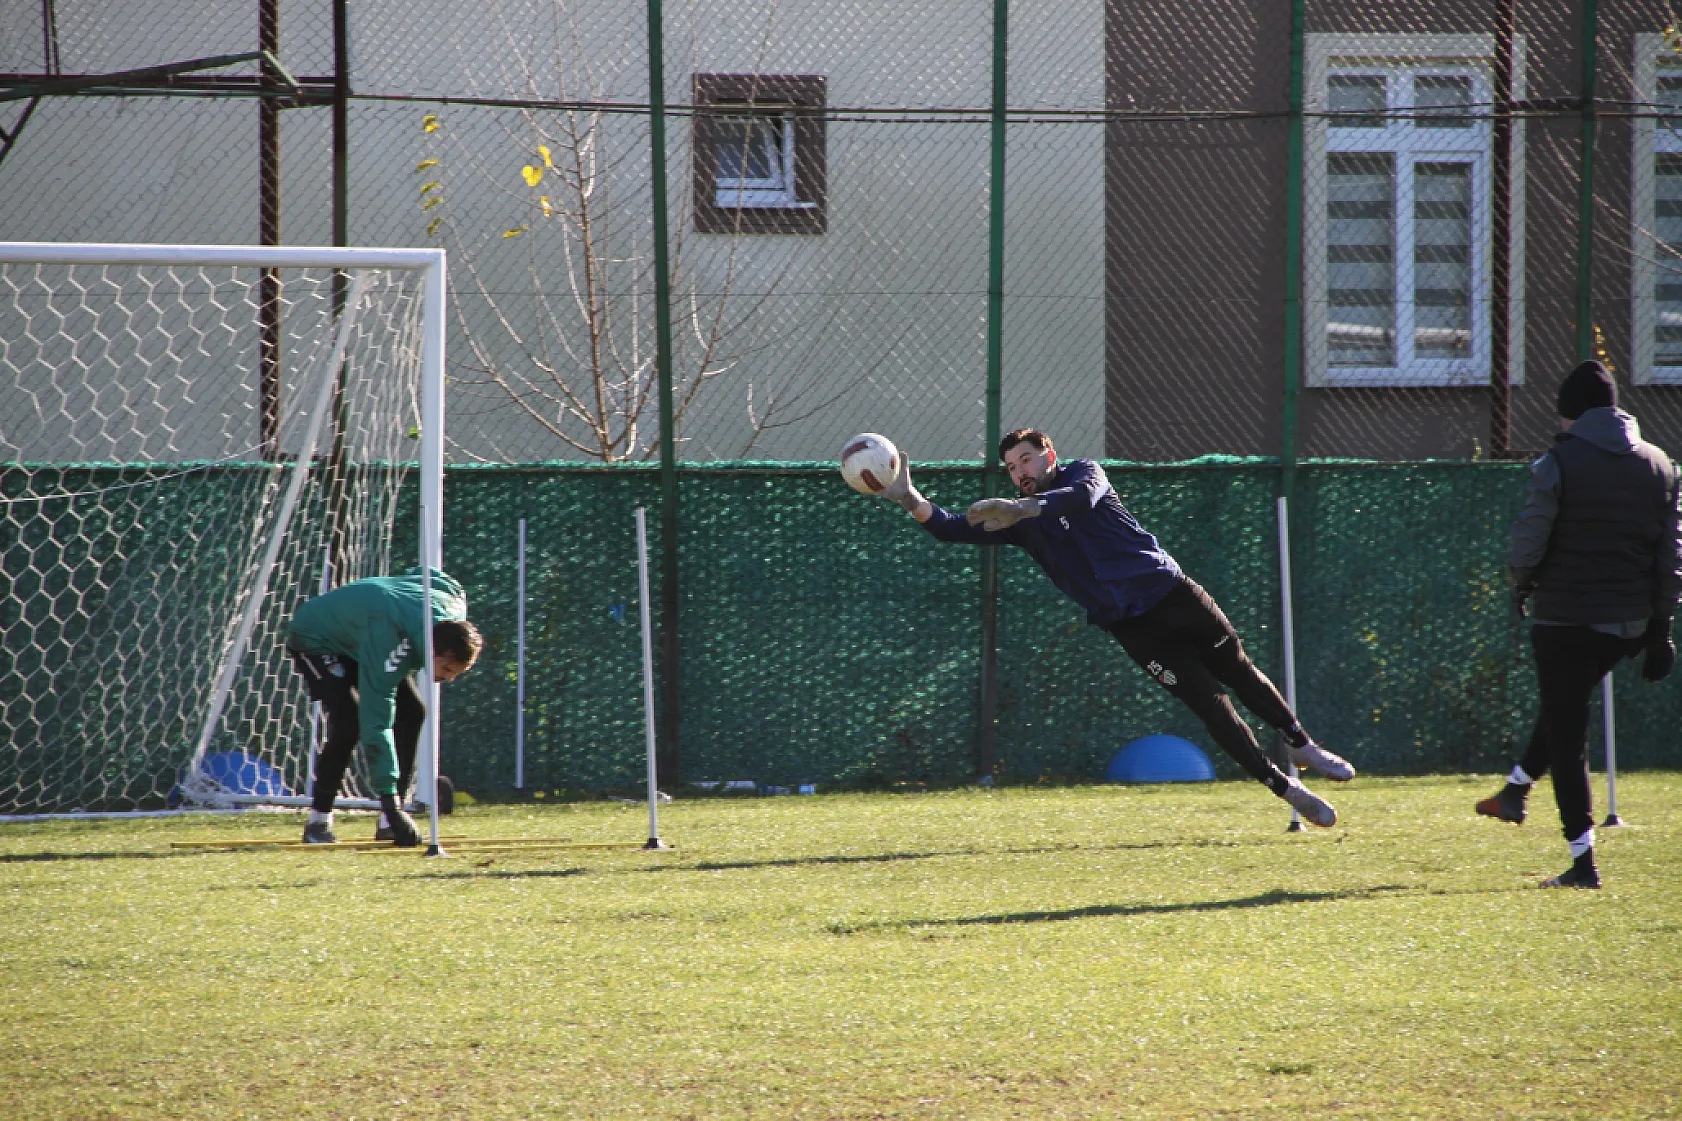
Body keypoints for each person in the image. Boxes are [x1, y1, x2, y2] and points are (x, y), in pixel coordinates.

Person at [871, 427, 1353, 826]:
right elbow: (952, 527)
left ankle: (1303, 745)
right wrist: (910, 498)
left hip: (1173, 594)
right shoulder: (1019, 520)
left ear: (1049, 456)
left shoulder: (1082, 473)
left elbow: (1080, 498)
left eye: (1026, 460)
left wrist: (1025, 508)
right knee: (1210, 704)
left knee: (1237, 669)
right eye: (1012, 468)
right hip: (1132, 627)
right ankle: (1285, 788)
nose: (1020, 472)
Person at [1475, 361, 1680, 888]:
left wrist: (1521, 585)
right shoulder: (1661, 465)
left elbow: (1528, 542)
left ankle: (1582, 862)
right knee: (1563, 707)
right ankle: (1515, 791)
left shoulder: (1558, 462)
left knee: (1568, 735)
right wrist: (1661, 628)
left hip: (1566, 618)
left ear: (1571, 414)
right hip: (1629, 623)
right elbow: (1670, 557)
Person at [287, 566, 483, 846]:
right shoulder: (389, 648)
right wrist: (390, 803)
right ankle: (320, 820)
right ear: (433, 651)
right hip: (318, 638)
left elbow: (433, 577)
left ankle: (388, 823)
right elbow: (377, 724)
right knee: (350, 721)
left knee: (413, 713)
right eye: (447, 669)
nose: (448, 678)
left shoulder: (453, 610)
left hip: (365, 634)